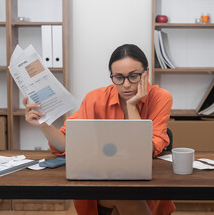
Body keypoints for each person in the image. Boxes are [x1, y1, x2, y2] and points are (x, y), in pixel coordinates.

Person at [24, 44, 175, 215]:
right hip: (104, 181)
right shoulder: (95, 99)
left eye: (133, 76)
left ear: (146, 73)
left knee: (127, 195)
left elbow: (144, 150)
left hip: (145, 183)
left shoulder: (160, 98)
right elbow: (67, 145)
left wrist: (132, 106)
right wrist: (43, 124)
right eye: (118, 77)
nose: (126, 85)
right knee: (123, 195)